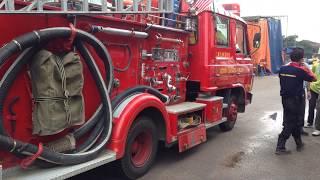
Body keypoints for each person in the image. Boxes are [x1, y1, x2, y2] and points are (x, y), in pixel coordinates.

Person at [276, 48, 316, 155]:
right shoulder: (300, 71)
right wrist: (304, 67)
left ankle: (299, 143)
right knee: (291, 122)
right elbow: (314, 78)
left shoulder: (282, 69)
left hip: (285, 99)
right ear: (301, 59)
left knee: (294, 121)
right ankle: (280, 146)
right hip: (295, 100)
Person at [306, 54, 320, 128]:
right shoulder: (316, 65)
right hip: (313, 88)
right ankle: (309, 122)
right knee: (311, 106)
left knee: (319, 108)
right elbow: (311, 76)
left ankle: (318, 126)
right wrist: (308, 89)